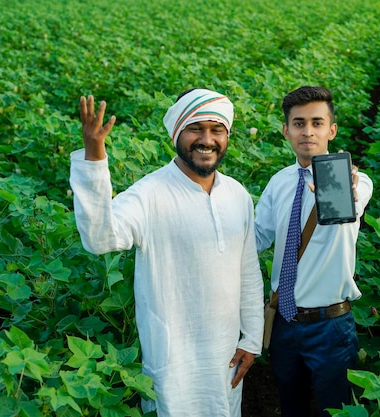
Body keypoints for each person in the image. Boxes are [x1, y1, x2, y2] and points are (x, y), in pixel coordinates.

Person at [69, 88, 264, 416]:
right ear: (177, 133)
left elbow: (247, 271)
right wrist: (94, 156)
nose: (207, 139)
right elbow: (100, 239)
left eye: (217, 130)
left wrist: (251, 339)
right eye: (195, 129)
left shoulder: (237, 195)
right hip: (173, 360)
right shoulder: (149, 194)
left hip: (226, 354)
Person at [254, 86, 373, 417]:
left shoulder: (355, 181)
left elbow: (354, 197)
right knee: (290, 407)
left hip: (330, 326)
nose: (308, 131)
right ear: (286, 130)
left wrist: (339, 188)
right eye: (299, 123)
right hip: (284, 323)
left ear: (331, 130)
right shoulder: (278, 182)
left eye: (317, 123)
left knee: (335, 411)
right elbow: (256, 238)